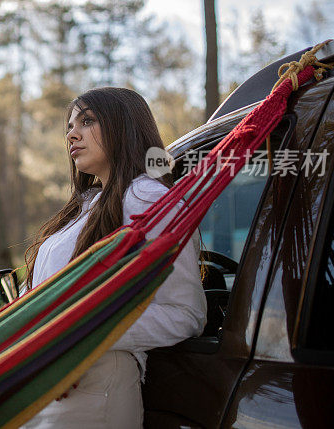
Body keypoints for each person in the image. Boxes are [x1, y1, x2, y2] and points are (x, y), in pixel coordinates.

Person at [20, 87, 206, 428]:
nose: (71, 134)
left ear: (124, 126)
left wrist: (77, 335)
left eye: (87, 120)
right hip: (47, 382)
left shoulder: (147, 198)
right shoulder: (87, 206)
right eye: (70, 125)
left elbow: (185, 315)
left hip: (95, 389)